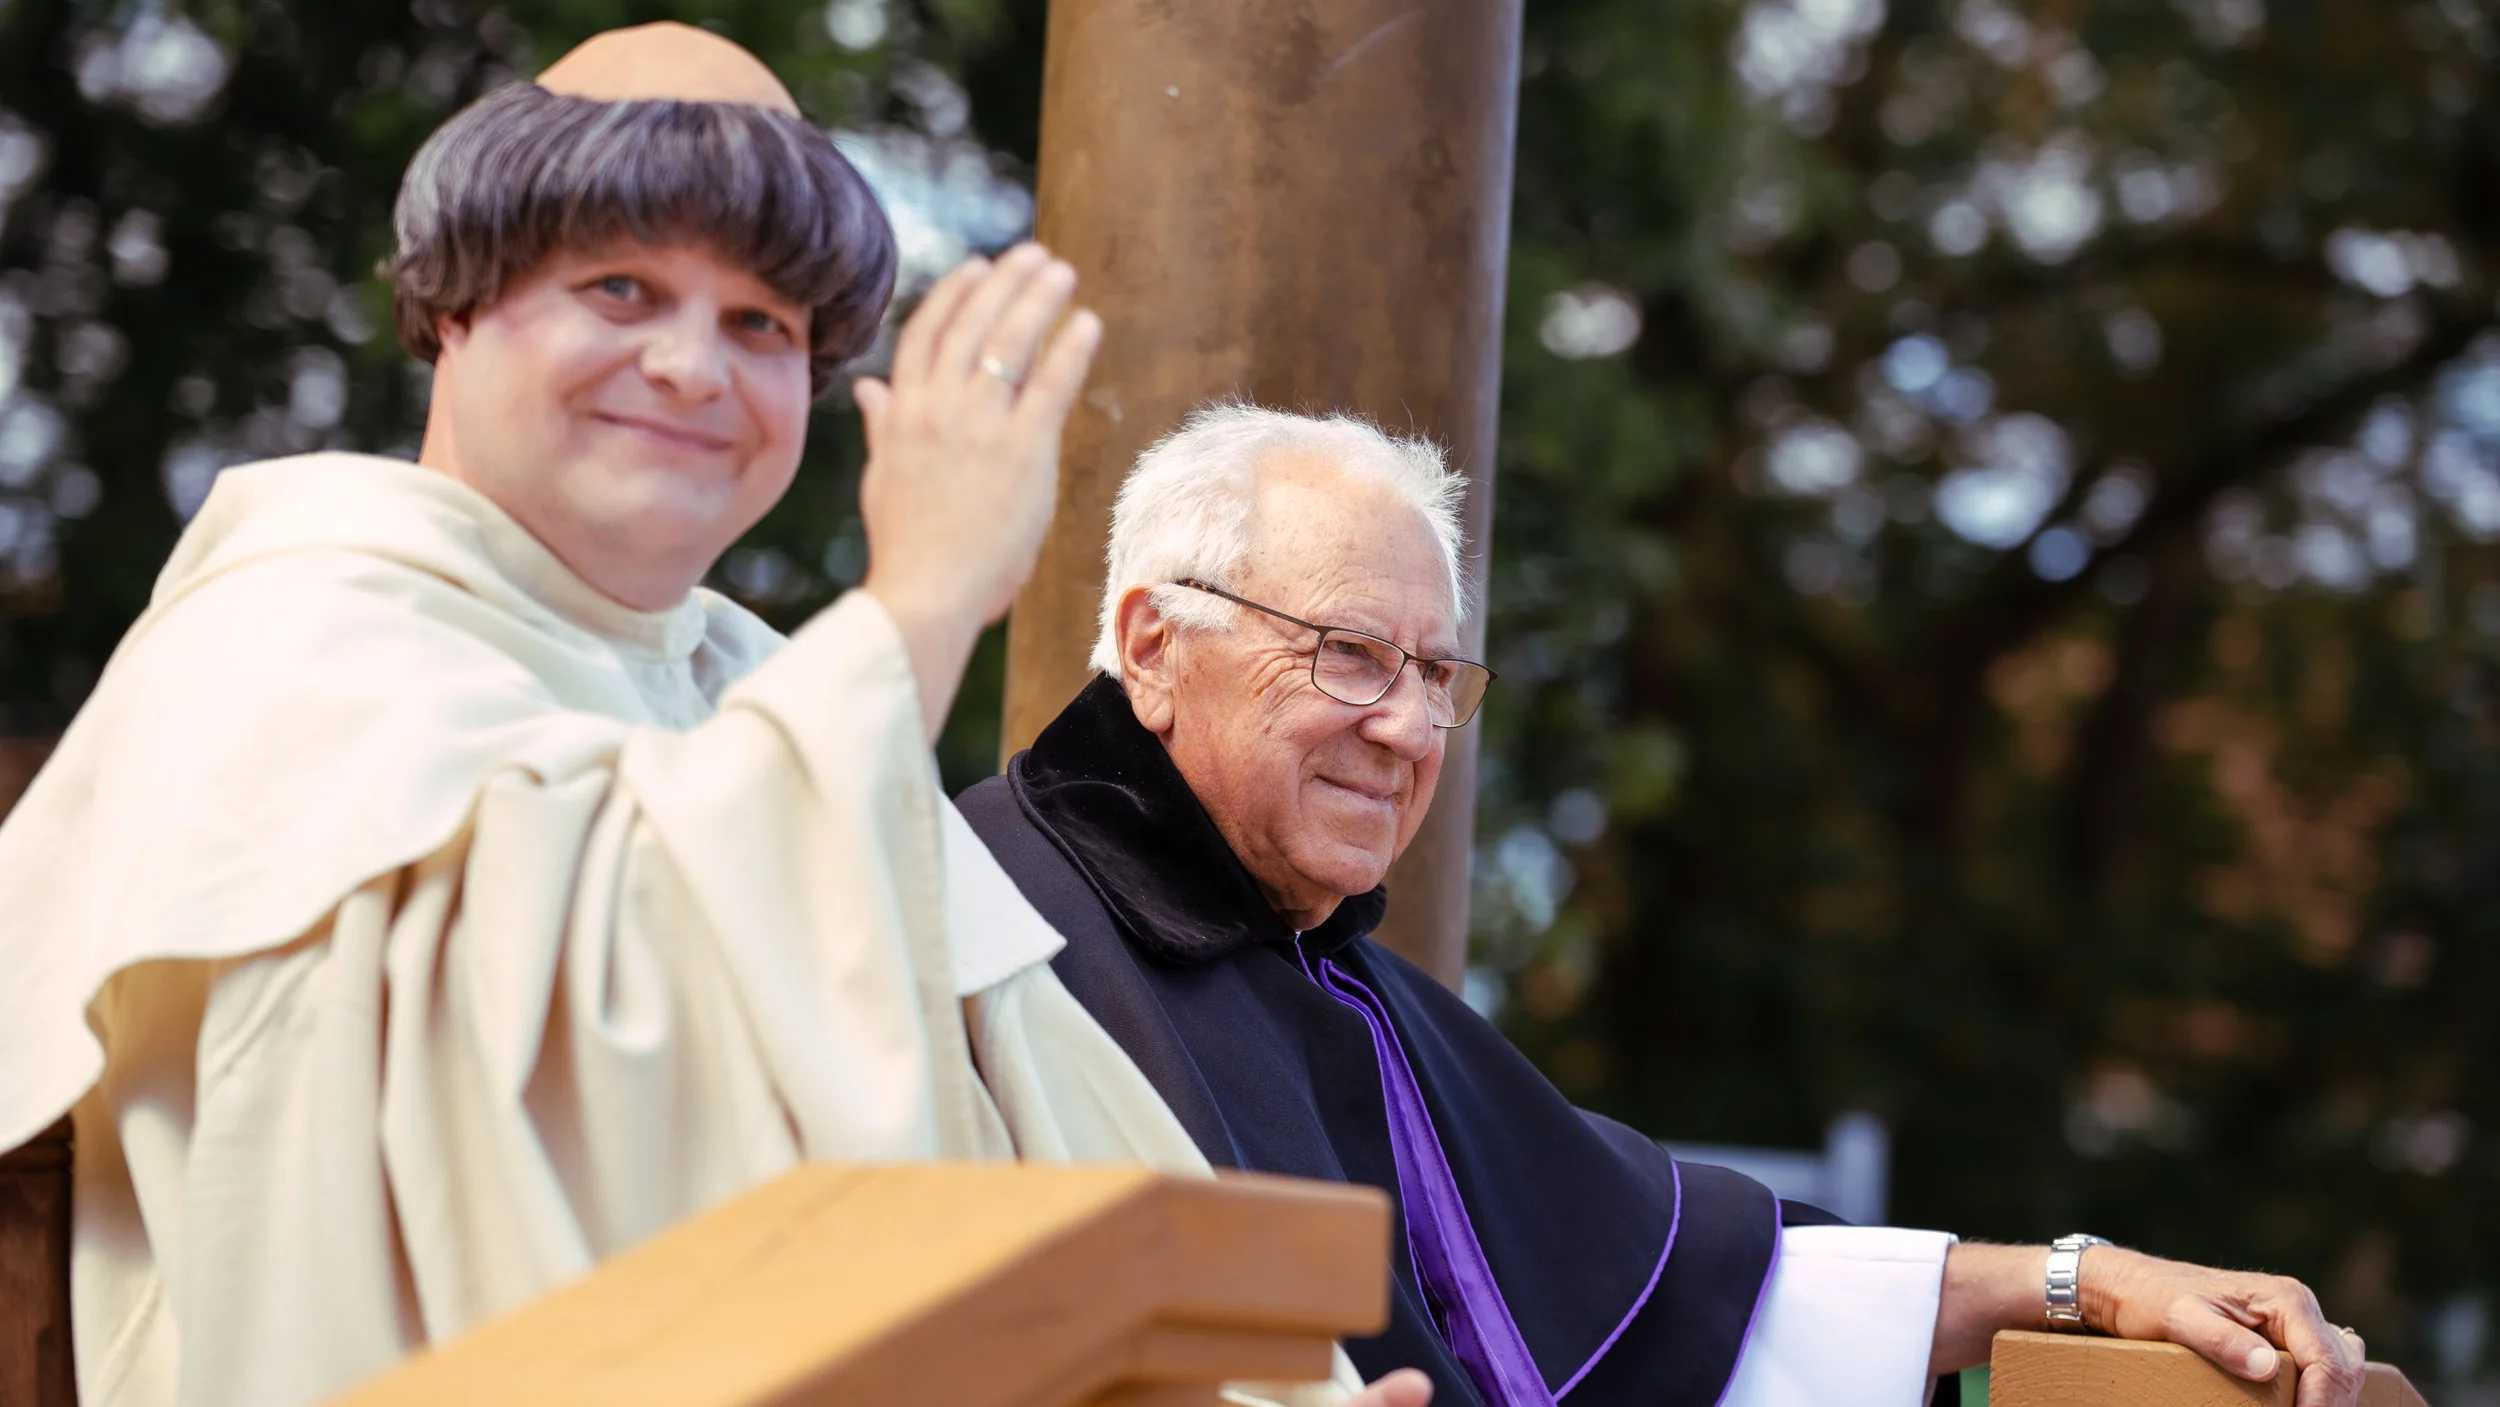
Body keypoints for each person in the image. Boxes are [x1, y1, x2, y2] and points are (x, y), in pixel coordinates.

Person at [0, 29, 1424, 1407]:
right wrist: (920, 604)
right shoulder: (296, 633)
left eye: (760, 324)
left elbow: (1016, 1152)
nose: (694, 368)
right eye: (621, 290)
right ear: (453, 304)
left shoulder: (768, 690)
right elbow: (558, 1138)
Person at [957, 403, 2375, 1407]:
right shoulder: (979, 918)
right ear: (1154, 643)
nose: (1405, 726)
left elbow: (1690, 1284)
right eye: (1346, 655)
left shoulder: (1359, 997)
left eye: (1435, 675)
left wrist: (2078, 1282)